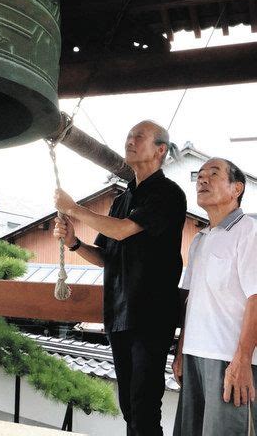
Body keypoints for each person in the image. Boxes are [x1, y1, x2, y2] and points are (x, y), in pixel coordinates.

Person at [54, 120, 187, 436]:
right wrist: (74, 243)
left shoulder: (168, 194)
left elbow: (124, 229)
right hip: (118, 315)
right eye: (128, 135)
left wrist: (74, 209)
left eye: (138, 136)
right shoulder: (121, 200)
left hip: (151, 316)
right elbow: (106, 257)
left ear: (160, 150)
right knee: (129, 407)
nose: (130, 140)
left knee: (143, 406)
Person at [173, 158, 257, 436]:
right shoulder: (200, 239)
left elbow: (256, 299)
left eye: (213, 174)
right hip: (195, 354)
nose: (202, 179)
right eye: (199, 175)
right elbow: (192, 302)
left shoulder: (250, 232)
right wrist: (181, 351)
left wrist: (243, 360)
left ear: (237, 189)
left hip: (230, 358)